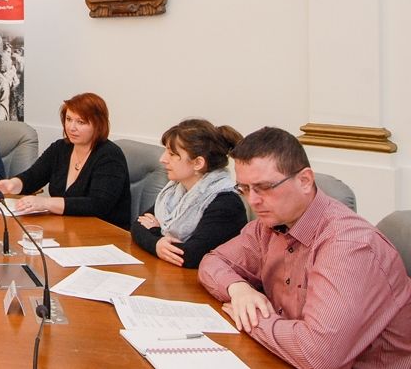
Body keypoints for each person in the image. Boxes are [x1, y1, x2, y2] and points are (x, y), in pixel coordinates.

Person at [198, 127, 411, 368]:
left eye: (264, 187)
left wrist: (253, 317)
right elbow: (213, 261)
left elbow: (319, 355)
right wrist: (238, 290)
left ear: (305, 181)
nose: (253, 201)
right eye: (244, 189)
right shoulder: (269, 225)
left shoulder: (348, 246)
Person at [0, 92, 130, 229]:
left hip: (104, 233)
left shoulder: (110, 156)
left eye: (80, 122)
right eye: (68, 119)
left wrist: (46, 203)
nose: (71, 127)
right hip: (69, 228)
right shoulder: (60, 148)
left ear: (98, 125)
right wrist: (12, 184)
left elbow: (98, 205)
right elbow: (34, 176)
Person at [131, 119, 247, 268]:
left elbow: (190, 256)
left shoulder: (225, 202)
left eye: (172, 154)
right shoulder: (175, 189)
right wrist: (158, 243)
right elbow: (138, 225)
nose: (162, 159)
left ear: (198, 163)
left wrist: (154, 233)